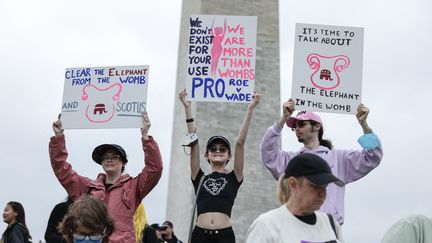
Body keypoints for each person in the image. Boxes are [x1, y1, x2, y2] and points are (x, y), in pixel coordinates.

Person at [260, 98, 383, 224]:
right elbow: (267, 152)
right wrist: (283, 120)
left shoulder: (339, 158)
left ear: (317, 126)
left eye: (301, 124)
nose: (296, 129)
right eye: (294, 126)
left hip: (329, 228)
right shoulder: (292, 161)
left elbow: (373, 156)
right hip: (298, 226)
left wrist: (364, 125)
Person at [49, 112, 163, 243]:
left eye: (114, 156)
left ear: (123, 162)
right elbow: (62, 170)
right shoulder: (87, 187)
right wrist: (58, 137)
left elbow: (155, 169)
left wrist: (146, 137)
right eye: (105, 157)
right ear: (101, 162)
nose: (109, 159)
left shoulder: (134, 187)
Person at [179, 89, 261, 243]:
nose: (218, 151)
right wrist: (187, 108)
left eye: (222, 149)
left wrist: (250, 109)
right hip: (200, 235)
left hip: (224, 236)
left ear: (229, 156)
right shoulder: (199, 176)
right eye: (213, 149)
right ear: (206, 155)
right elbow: (194, 144)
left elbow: (240, 143)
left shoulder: (234, 176)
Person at [246, 153, 345, 243]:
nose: (323, 193)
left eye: (325, 186)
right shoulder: (267, 225)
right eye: (316, 185)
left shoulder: (330, 223)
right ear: (293, 185)